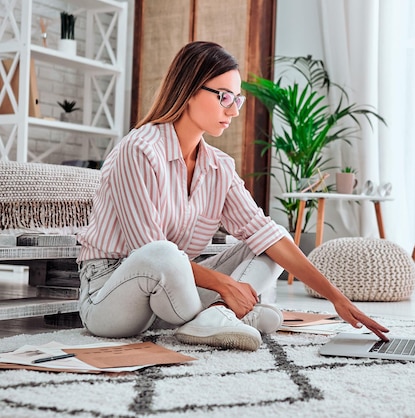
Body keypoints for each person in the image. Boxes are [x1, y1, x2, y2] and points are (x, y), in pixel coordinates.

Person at [76, 41, 389, 351]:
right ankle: (221, 315)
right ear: (189, 90)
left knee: (272, 241)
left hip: (171, 295)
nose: (233, 111)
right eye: (224, 97)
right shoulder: (140, 150)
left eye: (237, 100)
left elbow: (266, 235)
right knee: (165, 254)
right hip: (110, 292)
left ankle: (215, 317)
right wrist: (225, 284)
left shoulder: (218, 167)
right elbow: (146, 252)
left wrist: (337, 298)